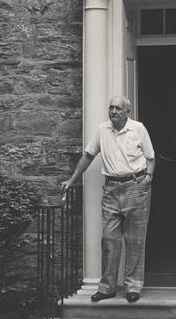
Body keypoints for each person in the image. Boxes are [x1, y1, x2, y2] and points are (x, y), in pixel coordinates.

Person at [61, 95, 155, 303]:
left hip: (136, 186)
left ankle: (133, 286)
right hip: (111, 188)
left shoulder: (138, 129)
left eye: (117, 109)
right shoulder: (102, 130)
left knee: (135, 239)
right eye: (110, 108)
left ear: (127, 112)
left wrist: (147, 178)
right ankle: (106, 287)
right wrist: (72, 179)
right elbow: (88, 156)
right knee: (109, 239)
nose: (113, 112)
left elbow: (150, 158)